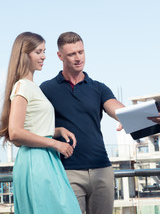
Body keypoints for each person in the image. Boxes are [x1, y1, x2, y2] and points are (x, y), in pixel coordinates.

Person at [40, 31, 124, 214]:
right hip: (68, 171)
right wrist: (57, 131)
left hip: (102, 168)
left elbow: (116, 108)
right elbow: (35, 126)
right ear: (60, 56)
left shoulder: (98, 88)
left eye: (81, 52)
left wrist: (128, 117)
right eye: (72, 54)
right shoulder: (46, 89)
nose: (78, 58)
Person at [0, 32, 82, 214]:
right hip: (36, 162)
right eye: (38, 52)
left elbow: (31, 127)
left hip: (44, 159)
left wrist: (57, 130)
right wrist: (56, 144)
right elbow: (15, 132)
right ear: (25, 54)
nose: (44, 56)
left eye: (44, 51)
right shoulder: (22, 86)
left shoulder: (31, 86)